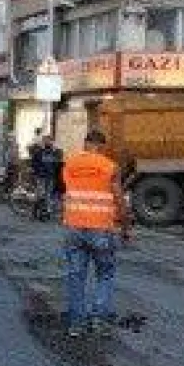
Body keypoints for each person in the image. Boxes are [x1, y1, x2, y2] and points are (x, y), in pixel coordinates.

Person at [61, 129, 131, 339]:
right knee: (105, 273)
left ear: (85, 144)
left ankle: (76, 324)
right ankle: (98, 320)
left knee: (76, 276)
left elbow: (69, 190)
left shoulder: (69, 165)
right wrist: (125, 227)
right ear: (102, 147)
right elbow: (119, 198)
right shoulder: (110, 167)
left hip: (73, 228)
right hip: (101, 229)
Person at [37, 135, 65, 220]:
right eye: (45, 141)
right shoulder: (40, 152)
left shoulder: (56, 151)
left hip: (51, 176)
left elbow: (59, 162)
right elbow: (35, 162)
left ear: (52, 142)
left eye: (48, 141)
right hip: (42, 176)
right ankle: (42, 212)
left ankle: (48, 212)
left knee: (49, 194)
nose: (46, 142)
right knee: (42, 195)